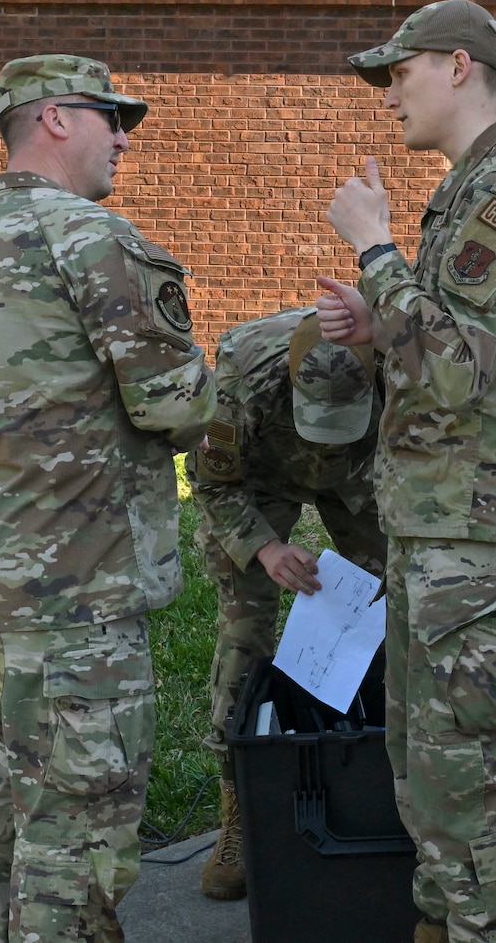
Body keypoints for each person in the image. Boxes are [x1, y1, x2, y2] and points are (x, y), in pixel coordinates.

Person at [0, 55, 215, 943]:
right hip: (78, 594)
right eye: (109, 116)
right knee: (77, 827)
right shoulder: (94, 240)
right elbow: (177, 403)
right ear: (52, 118)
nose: (123, 137)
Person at [314, 0, 496, 943]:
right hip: (444, 533)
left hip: (480, 541)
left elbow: (459, 365)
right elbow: (453, 350)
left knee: (469, 805)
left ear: (459, 66)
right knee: (431, 783)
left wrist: (377, 248)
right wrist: (380, 318)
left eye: (400, 71)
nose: (389, 94)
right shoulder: (473, 187)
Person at [189, 307, 386, 902]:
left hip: (361, 474)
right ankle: (239, 807)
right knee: (245, 632)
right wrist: (266, 548)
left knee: (396, 604)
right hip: (264, 479)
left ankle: (389, 772)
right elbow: (214, 483)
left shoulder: (404, 365)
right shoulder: (241, 382)